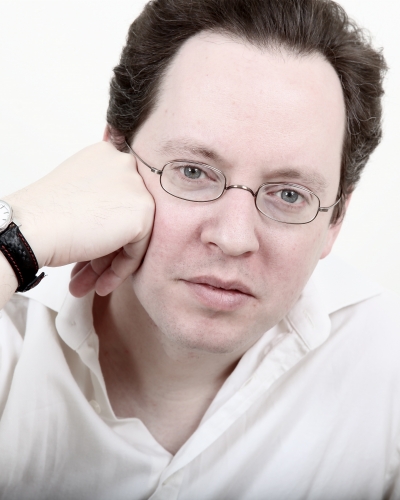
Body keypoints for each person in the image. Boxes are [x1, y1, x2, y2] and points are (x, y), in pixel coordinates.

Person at [0, 0, 399, 498]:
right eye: (193, 172)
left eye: (289, 195)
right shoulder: (13, 321)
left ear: (335, 220)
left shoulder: (387, 368)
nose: (233, 238)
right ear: (113, 160)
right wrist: (20, 233)